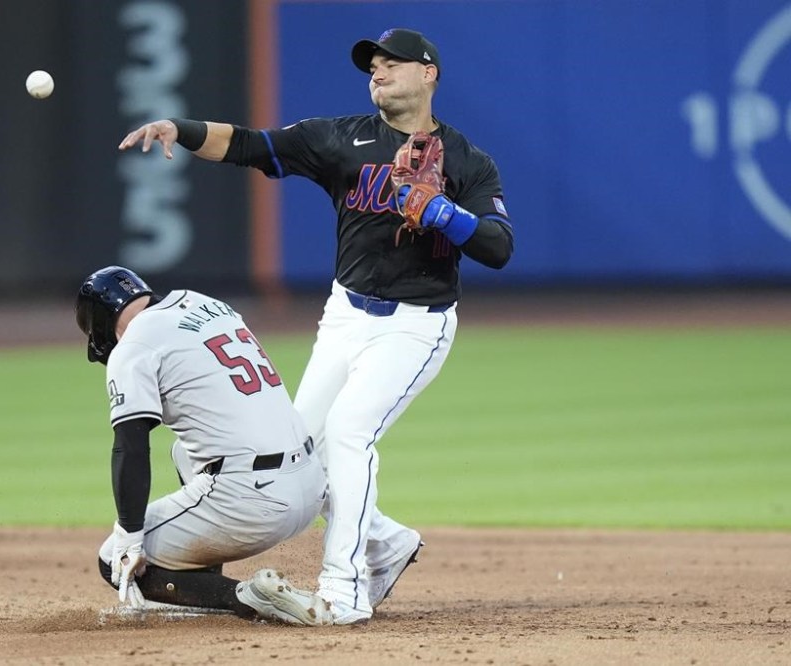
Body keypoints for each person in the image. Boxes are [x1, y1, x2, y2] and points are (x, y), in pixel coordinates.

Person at [119, 28, 513, 625]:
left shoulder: (465, 161)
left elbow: (499, 246)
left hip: (415, 325)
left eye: (392, 63)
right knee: (296, 456)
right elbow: (253, 145)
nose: (377, 72)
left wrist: (441, 212)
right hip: (345, 316)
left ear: (429, 73)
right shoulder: (342, 139)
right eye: (372, 65)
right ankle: (385, 543)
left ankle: (345, 591)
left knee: (351, 432)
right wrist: (183, 129)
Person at [75, 265, 334, 625]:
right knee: (183, 452)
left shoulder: (134, 344)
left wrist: (130, 535)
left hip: (255, 501)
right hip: (312, 484)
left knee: (112, 561)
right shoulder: (205, 303)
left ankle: (244, 596)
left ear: (100, 323)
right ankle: (209, 576)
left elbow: (131, 447)